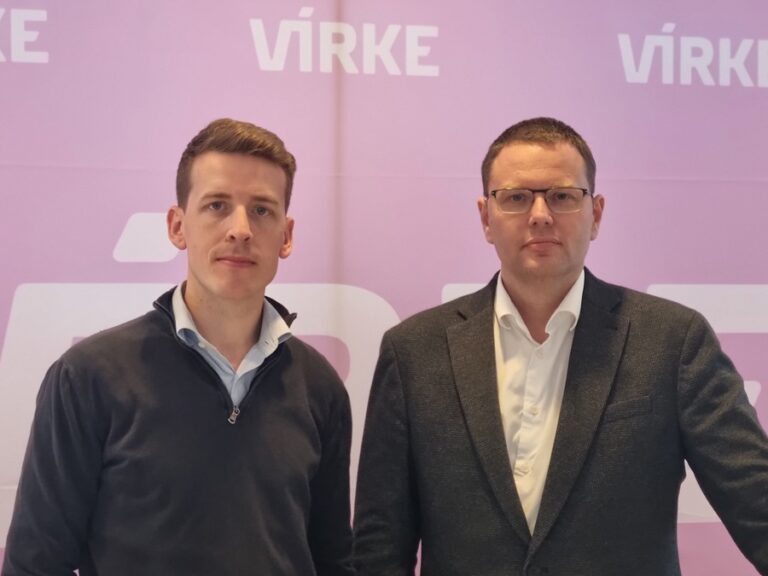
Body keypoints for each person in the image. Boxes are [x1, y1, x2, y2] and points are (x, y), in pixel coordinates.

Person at [353, 117, 768, 576]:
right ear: (486, 218)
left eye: (562, 196)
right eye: (516, 197)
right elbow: (379, 548)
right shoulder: (414, 352)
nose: (540, 215)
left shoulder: (673, 340)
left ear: (596, 214)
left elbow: (756, 499)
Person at [3, 118, 354, 575]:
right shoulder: (88, 378)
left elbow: (334, 562)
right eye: (217, 205)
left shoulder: (319, 387)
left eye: (262, 210)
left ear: (286, 236)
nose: (240, 229)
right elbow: (35, 564)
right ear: (177, 226)